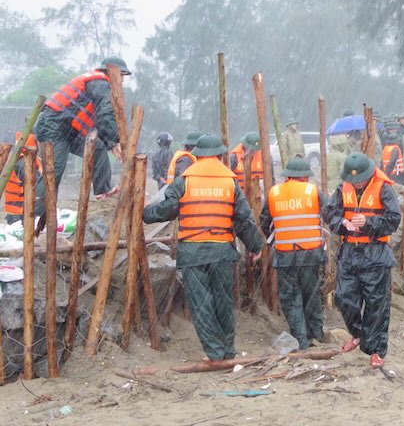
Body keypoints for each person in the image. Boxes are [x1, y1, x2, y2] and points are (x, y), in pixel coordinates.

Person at [143, 134, 263, 363]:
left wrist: (143, 212)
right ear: (219, 155)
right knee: (223, 301)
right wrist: (255, 246)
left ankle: (215, 353)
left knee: (201, 304)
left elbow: (165, 210)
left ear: (197, 155)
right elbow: (244, 220)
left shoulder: (185, 180)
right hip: (222, 252)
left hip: (193, 253)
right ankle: (228, 350)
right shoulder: (230, 182)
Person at [323, 153, 401, 368]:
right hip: (349, 251)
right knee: (343, 297)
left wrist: (368, 222)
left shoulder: (384, 188)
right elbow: (330, 214)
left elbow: (393, 220)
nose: (356, 183)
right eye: (353, 180)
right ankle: (358, 334)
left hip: (375, 252)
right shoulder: (342, 189)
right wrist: (342, 223)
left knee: (377, 305)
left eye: (360, 179)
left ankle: (376, 351)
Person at [34, 57, 127, 203]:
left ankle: (103, 191)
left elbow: (98, 121)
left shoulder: (97, 83)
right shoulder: (101, 83)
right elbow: (105, 114)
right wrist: (116, 141)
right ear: (112, 73)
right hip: (53, 126)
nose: (122, 81)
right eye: (122, 75)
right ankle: (34, 212)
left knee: (97, 148)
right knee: (53, 172)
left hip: (69, 129)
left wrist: (110, 143)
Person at [260, 157, 328, 350]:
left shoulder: (274, 193)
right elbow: (330, 213)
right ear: (306, 177)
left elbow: (265, 221)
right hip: (311, 252)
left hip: (285, 253)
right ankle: (316, 333)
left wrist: (276, 239)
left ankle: (300, 339)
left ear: (287, 176)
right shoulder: (313, 191)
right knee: (312, 293)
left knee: (290, 296)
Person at [4, 133, 39, 225]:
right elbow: (36, 183)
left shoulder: (17, 160)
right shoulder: (24, 163)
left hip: (17, 210)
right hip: (21, 211)